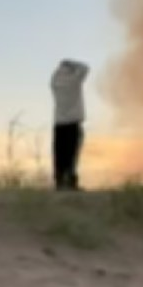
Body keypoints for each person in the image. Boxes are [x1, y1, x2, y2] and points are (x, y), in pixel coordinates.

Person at [51, 59, 89, 190]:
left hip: (58, 124)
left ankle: (59, 183)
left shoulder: (55, 82)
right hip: (73, 123)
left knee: (59, 155)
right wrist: (71, 63)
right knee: (72, 155)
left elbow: (55, 75)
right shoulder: (74, 81)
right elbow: (85, 68)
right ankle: (71, 183)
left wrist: (61, 66)